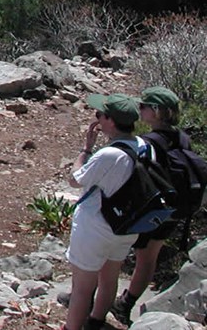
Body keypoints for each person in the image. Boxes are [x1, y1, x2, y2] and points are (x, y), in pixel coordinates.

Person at [65, 93, 144, 330]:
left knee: (82, 287)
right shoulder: (144, 146)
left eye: (100, 114)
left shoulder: (109, 154)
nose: (97, 118)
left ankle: (71, 327)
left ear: (110, 120)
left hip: (96, 228)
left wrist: (86, 149)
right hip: (126, 226)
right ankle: (97, 321)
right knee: (110, 277)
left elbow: (75, 180)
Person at [111, 86, 187, 325]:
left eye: (143, 107)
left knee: (111, 254)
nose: (140, 110)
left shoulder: (148, 142)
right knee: (148, 258)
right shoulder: (183, 137)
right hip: (173, 208)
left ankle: (92, 300)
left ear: (155, 111)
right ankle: (126, 303)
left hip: (148, 207)